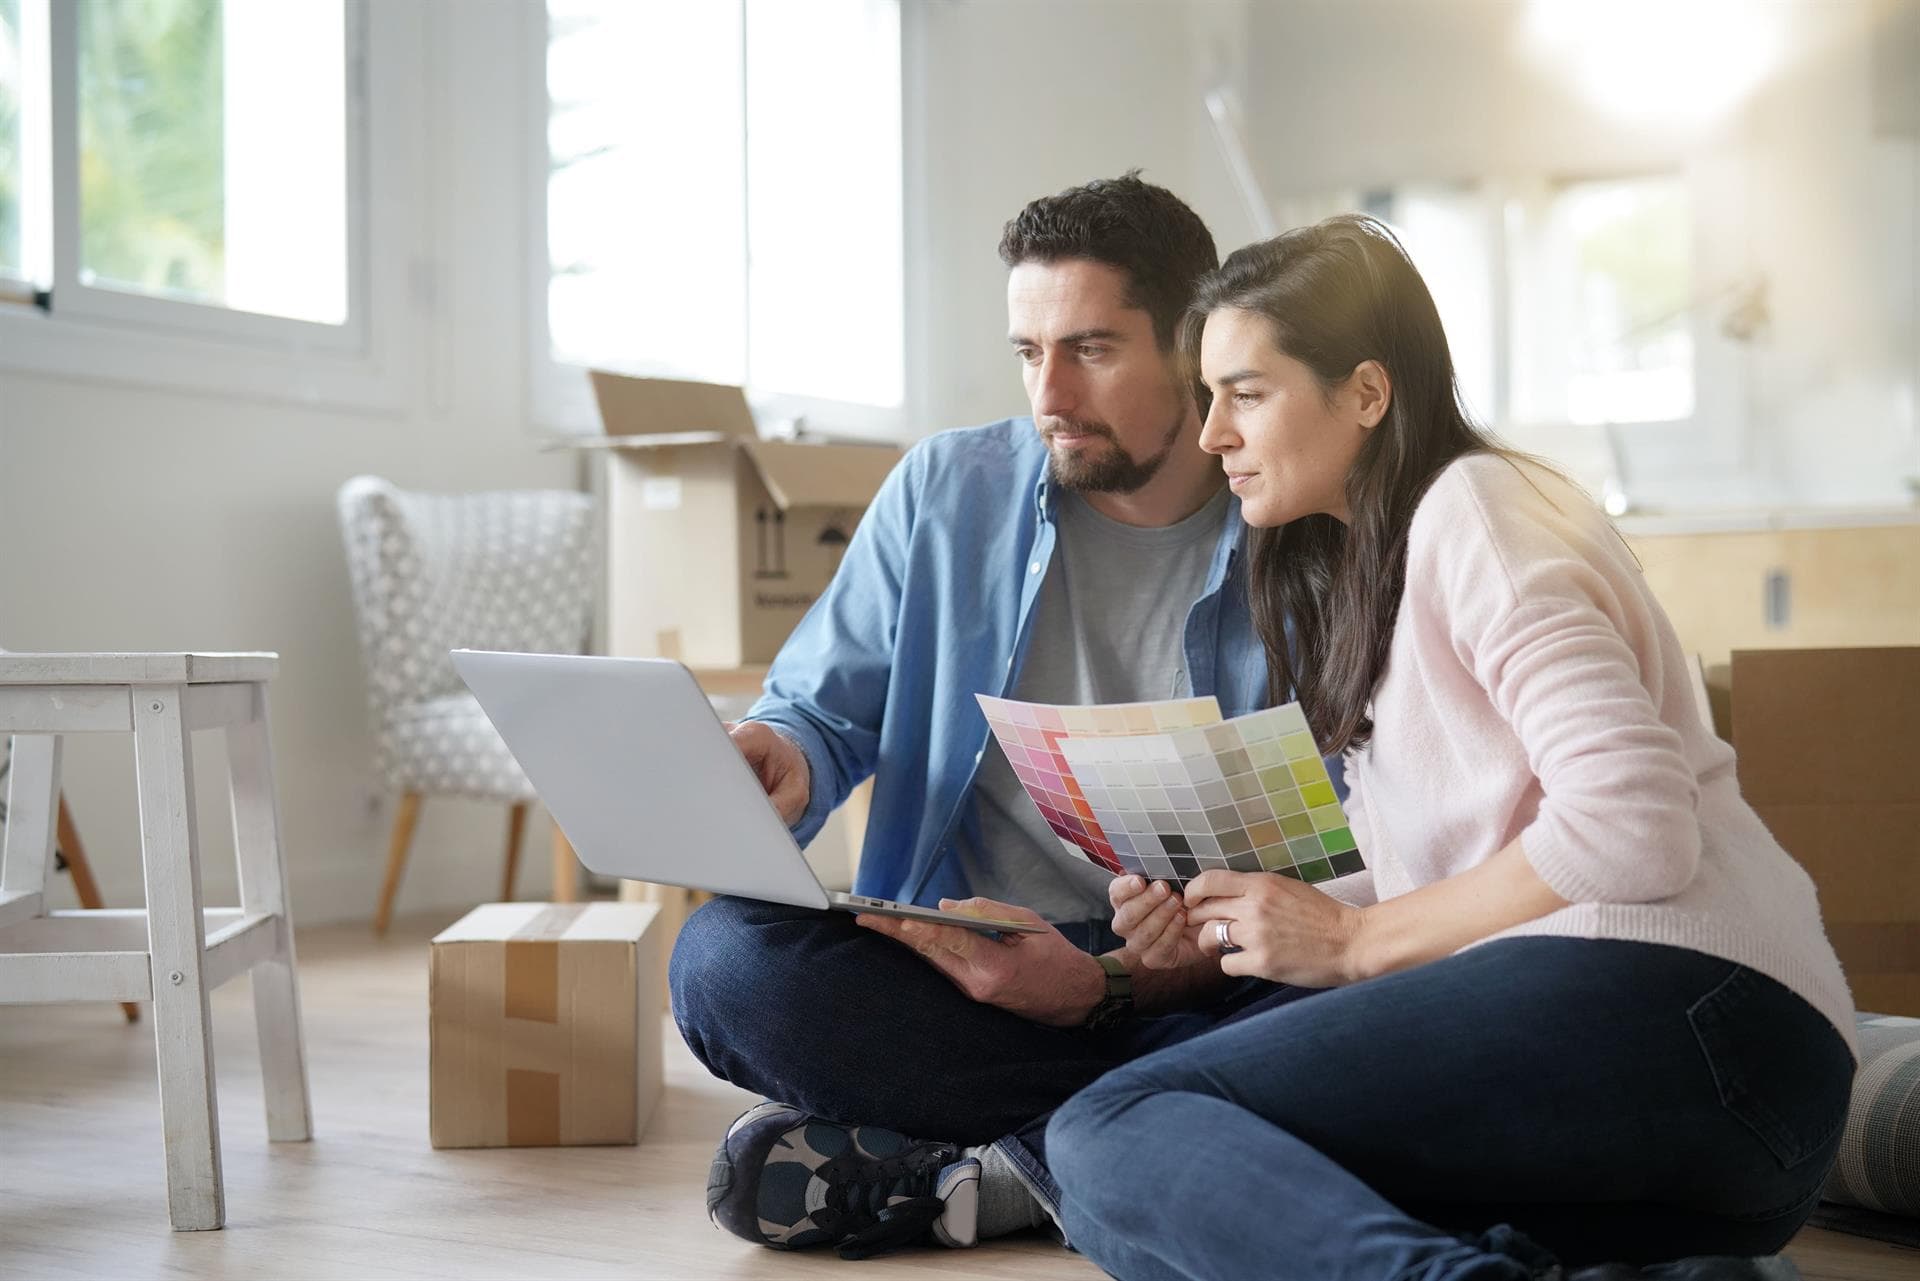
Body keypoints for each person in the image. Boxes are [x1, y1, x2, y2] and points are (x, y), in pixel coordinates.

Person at [1044, 215, 1858, 1280]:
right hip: (1722, 1135)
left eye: (1246, 392)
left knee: (1116, 1124)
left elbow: (1632, 825)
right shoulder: (1368, 570)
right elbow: (1459, 855)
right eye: (1208, 399)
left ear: (1367, 394)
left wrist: (1351, 946)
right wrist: (1231, 917)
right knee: (1149, 1216)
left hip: (1696, 1010)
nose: (1212, 436)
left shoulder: (1478, 504)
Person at [670, 174, 1355, 1260]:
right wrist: (784, 757)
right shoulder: (946, 489)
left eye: (1091, 348)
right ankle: (1119, 1143)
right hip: (972, 964)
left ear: (1195, 345)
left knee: (1388, 1003)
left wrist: (1114, 982)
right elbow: (820, 710)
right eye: (1029, 353)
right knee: (723, 966)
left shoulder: (1305, 521)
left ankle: (1000, 1170)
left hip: (1215, 980)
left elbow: (1353, 853)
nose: (1052, 394)